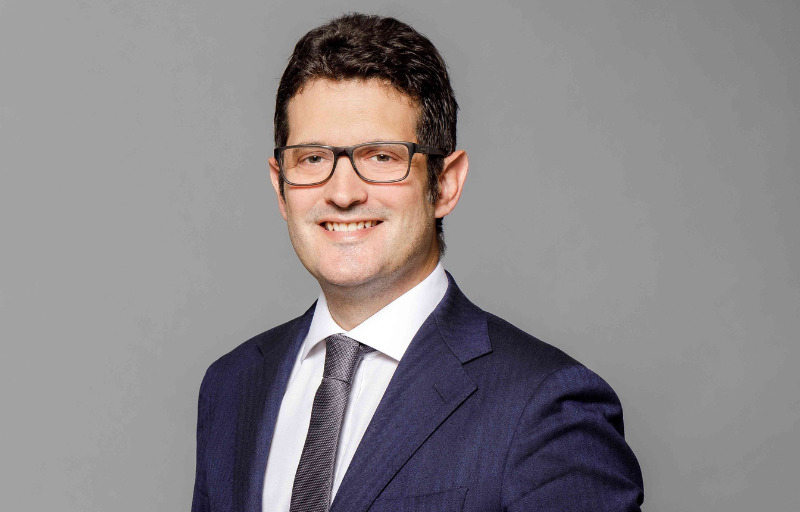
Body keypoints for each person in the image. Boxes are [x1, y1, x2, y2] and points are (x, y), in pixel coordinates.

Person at [191, 13, 644, 512]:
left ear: (445, 183)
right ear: (281, 186)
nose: (343, 193)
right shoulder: (231, 386)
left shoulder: (545, 407)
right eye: (313, 158)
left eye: (381, 157)